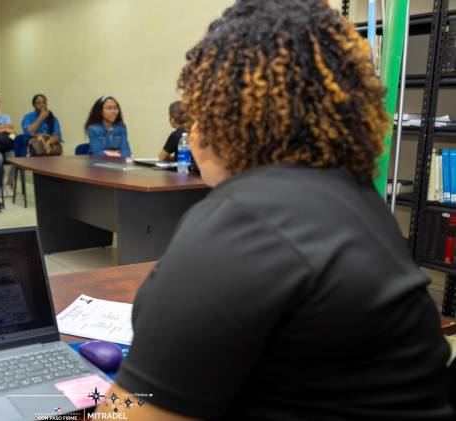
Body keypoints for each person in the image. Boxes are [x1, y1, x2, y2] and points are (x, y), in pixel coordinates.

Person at [99, 1, 454, 420]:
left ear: (224, 111)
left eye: (198, 108)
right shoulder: (354, 200)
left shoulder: (245, 219)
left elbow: (128, 416)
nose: (192, 129)